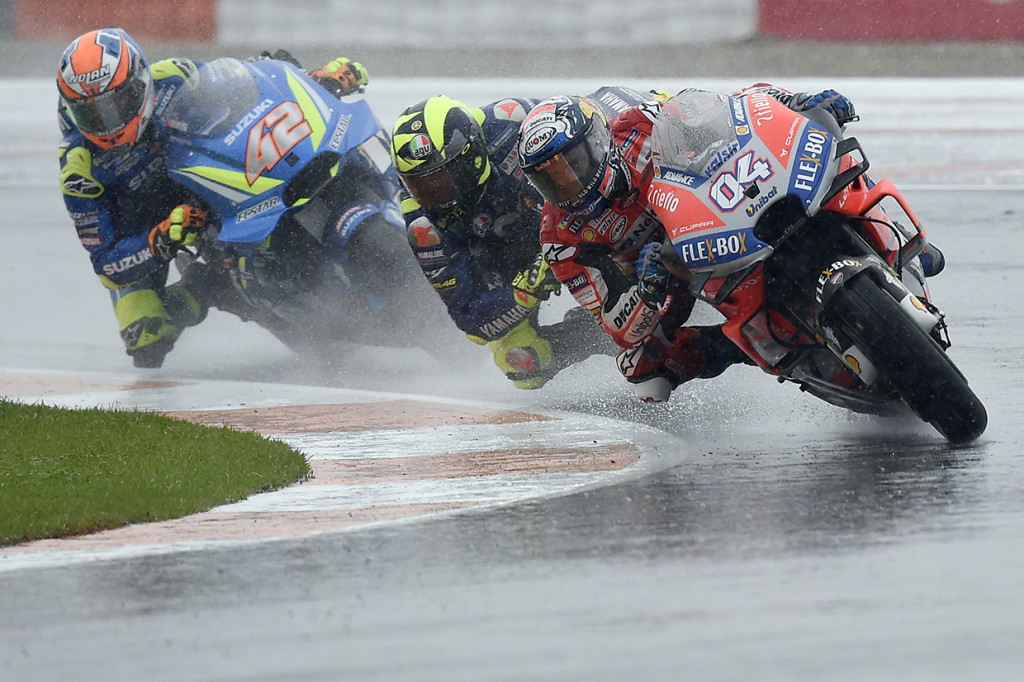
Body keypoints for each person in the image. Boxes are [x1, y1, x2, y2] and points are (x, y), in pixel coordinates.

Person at [517, 84, 893, 402]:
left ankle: (890, 235)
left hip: (719, 210)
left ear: (598, 141)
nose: (568, 184)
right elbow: (617, 325)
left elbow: (733, 111)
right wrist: (646, 289)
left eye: (573, 164)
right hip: (672, 271)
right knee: (642, 368)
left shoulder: (639, 124)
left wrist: (795, 102)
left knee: (821, 148)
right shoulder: (559, 237)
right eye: (551, 180)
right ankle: (747, 348)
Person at [57, 27, 369, 367]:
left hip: (204, 182)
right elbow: (106, 263)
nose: (109, 123)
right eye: (93, 115)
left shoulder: (173, 76)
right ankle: (208, 286)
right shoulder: (80, 172)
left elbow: (238, 84)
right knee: (147, 338)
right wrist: (158, 240)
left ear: (140, 81)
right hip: (145, 227)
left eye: (117, 104)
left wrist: (309, 78)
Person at [388, 87, 653, 388]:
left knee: (633, 252)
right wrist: (525, 291)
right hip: (512, 263)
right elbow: (469, 319)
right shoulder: (422, 222)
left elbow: (591, 134)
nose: (437, 198)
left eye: (444, 179)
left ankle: (652, 300)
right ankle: (601, 332)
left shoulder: (511, 123)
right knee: (523, 361)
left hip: (580, 222)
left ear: (471, 155)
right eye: (420, 186)